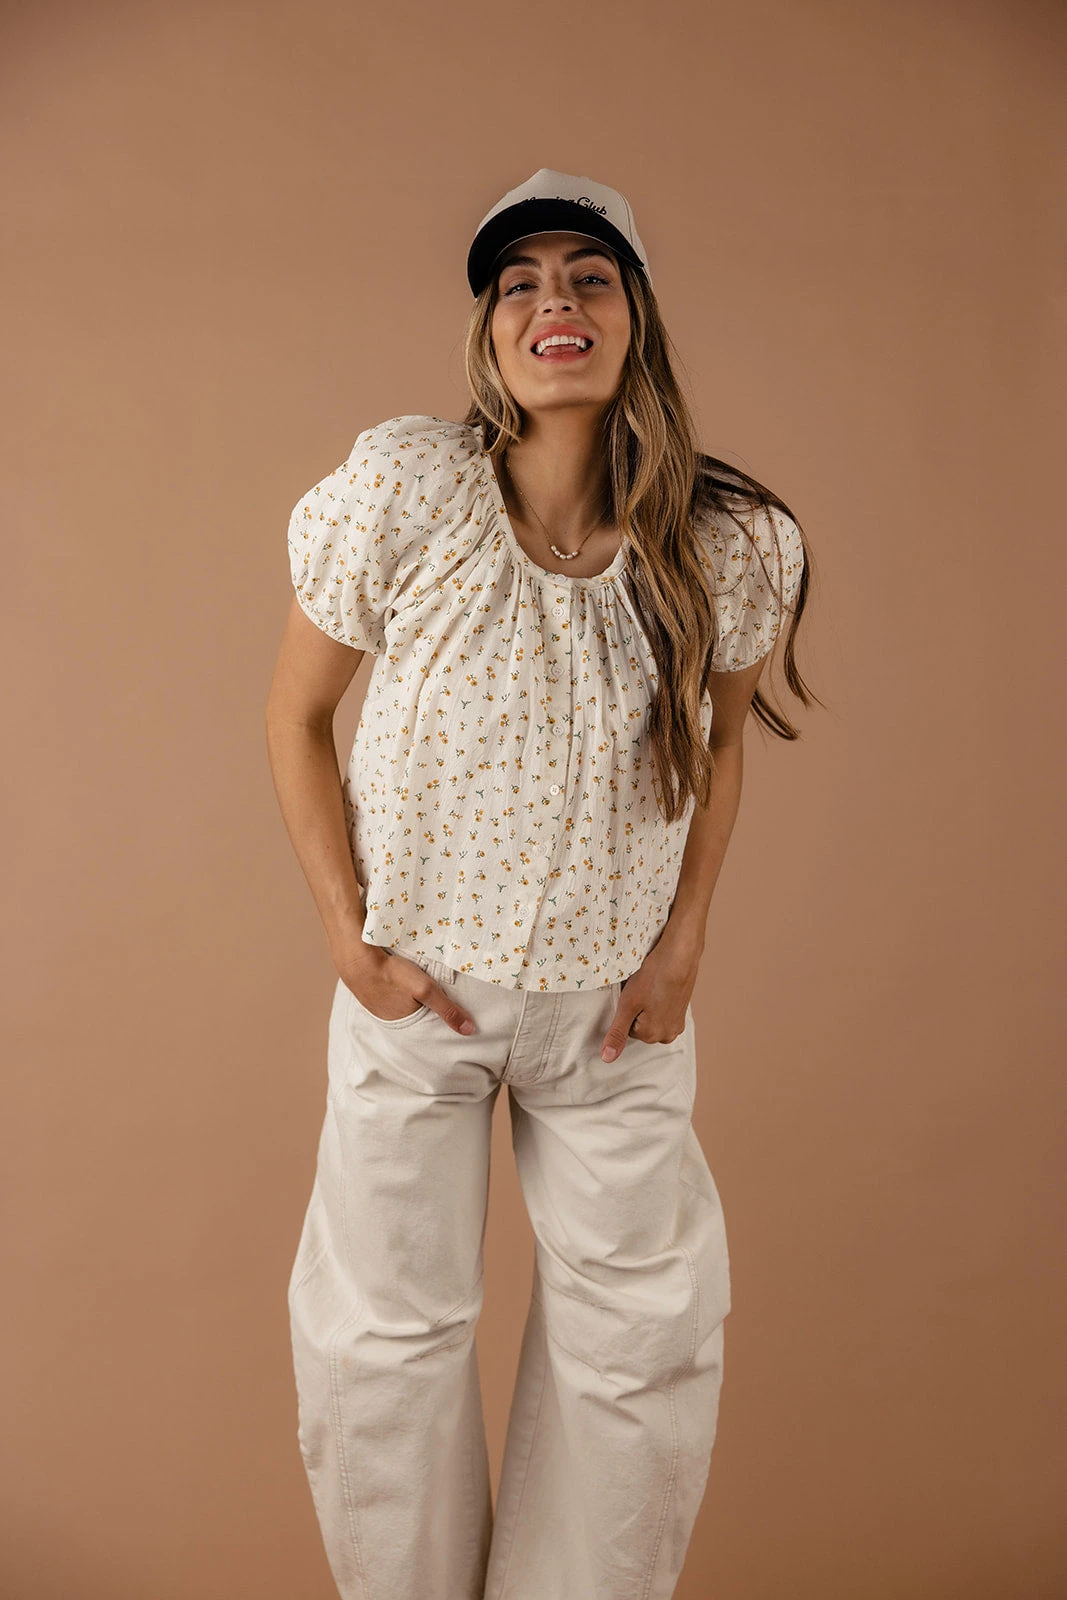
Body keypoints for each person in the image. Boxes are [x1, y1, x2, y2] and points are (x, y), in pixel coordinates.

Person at [266, 167, 815, 1600]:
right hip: (417, 999)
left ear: (635, 317)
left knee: (640, 1348)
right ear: (488, 331)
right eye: (518, 283)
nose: (551, 302)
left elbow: (720, 749)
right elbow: (294, 717)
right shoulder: (408, 490)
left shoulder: (726, 541)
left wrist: (684, 945)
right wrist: (347, 939)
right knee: (383, 1340)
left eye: (587, 276)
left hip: (612, 1018)